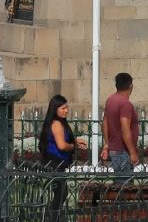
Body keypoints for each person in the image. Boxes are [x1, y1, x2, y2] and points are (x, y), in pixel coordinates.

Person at [39, 94, 87, 222]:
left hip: (57, 163)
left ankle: (55, 216)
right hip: (55, 163)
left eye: (67, 108)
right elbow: (61, 145)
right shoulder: (56, 124)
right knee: (61, 194)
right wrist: (73, 146)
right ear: (55, 109)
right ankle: (54, 217)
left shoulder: (58, 123)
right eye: (63, 108)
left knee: (61, 193)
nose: (66, 111)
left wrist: (75, 141)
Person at [101, 72, 141, 173]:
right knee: (126, 185)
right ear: (131, 86)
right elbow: (125, 129)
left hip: (114, 149)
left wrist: (107, 144)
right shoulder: (125, 104)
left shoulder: (110, 100)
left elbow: (105, 124)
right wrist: (132, 153)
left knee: (119, 184)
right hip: (123, 151)